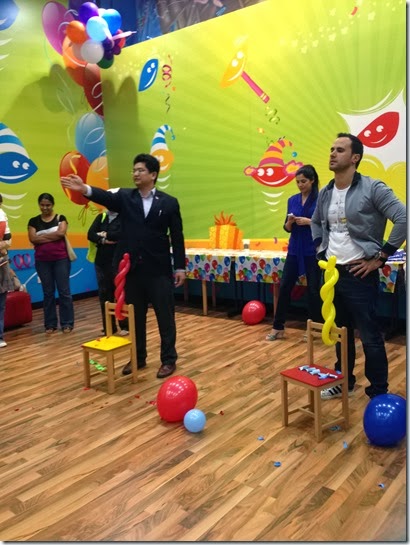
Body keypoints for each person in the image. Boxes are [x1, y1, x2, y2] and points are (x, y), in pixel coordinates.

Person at [61, 153, 186, 379]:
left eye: (140, 170)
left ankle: (168, 359)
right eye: (134, 170)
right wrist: (84, 189)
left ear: (153, 175)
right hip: (132, 270)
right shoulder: (125, 197)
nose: (135, 174)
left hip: (158, 270)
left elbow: (177, 237)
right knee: (135, 317)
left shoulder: (169, 202)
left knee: (165, 317)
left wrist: (180, 267)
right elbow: (104, 196)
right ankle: (138, 357)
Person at [311, 132, 406, 400]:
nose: (332, 153)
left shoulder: (373, 188)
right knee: (341, 334)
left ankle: (378, 392)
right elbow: (316, 221)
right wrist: (320, 247)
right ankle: (344, 382)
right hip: (332, 273)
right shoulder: (326, 192)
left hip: (359, 274)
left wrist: (381, 257)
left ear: (355, 158)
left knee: (370, 336)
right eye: (331, 149)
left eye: (339, 150)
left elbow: (403, 218)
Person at [266, 164, 322, 341]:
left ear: (312, 180)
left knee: (313, 290)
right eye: (297, 182)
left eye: (303, 181)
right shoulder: (292, 200)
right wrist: (290, 222)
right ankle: (278, 327)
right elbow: (287, 227)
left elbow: (326, 224)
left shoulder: (320, 199)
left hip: (312, 250)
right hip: (294, 249)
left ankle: (314, 329)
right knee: (284, 287)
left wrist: (309, 222)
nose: (300, 185)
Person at [28, 193, 75, 334]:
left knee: (64, 292)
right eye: (42, 205)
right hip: (42, 262)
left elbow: (61, 234)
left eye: (48, 205)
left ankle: (67, 323)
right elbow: (33, 239)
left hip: (61, 259)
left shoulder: (61, 218)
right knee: (48, 293)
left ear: (52, 205)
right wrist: (52, 236)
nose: (45, 208)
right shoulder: (33, 221)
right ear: (39, 205)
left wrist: (41, 236)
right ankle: (50, 324)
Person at [87, 203, 129, 336]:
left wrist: (104, 234)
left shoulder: (125, 218)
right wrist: (104, 240)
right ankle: (109, 327)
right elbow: (90, 234)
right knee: (104, 295)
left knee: (120, 294)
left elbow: (121, 235)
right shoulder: (101, 217)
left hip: (119, 262)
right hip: (101, 262)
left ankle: (125, 325)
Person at [0, 194, 13, 348]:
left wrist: (3, 246)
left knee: (1, 303)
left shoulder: (2, 215)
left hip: (1, 264)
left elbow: (7, 241)